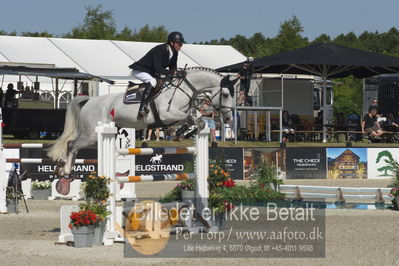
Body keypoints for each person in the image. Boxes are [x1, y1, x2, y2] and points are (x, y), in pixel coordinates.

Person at [129, 31, 184, 119]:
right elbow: (157, 68)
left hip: (151, 72)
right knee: (153, 81)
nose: (181, 46)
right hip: (141, 69)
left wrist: (178, 74)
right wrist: (172, 73)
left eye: (181, 44)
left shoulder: (175, 53)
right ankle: (142, 108)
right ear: (171, 42)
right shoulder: (160, 49)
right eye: (179, 43)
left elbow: (173, 68)